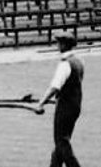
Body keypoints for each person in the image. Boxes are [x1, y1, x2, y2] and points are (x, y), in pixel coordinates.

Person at [34, 32, 84, 167]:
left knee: (61, 142)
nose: (57, 45)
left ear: (63, 45)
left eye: (58, 43)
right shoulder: (78, 61)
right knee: (61, 143)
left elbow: (55, 87)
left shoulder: (65, 64)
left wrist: (41, 102)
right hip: (75, 106)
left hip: (65, 107)